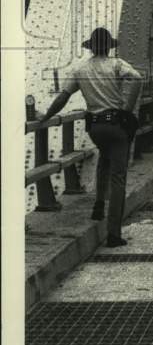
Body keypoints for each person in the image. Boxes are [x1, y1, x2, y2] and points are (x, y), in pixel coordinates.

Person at [37, 27, 142, 247]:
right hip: (116, 125)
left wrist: (46, 116)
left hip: (95, 128)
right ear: (109, 47)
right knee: (118, 178)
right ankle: (113, 234)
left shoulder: (80, 69)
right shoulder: (116, 64)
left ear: (91, 47)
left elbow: (63, 98)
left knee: (104, 158)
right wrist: (127, 109)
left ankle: (98, 205)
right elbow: (136, 78)